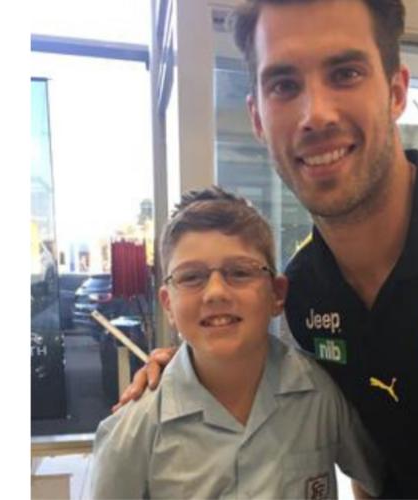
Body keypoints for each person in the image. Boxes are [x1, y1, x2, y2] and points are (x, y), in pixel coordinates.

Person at [121, 0, 418, 496]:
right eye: (284, 85)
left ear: (396, 91)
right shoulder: (305, 292)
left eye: (345, 73)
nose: (316, 114)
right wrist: (180, 375)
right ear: (258, 119)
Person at [88, 188, 383, 499]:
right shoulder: (132, 432)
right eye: (191, 277)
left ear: (277, 294)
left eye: (240, 272)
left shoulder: (321, 396)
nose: (216, 292)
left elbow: (373, 478)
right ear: (168, 304)